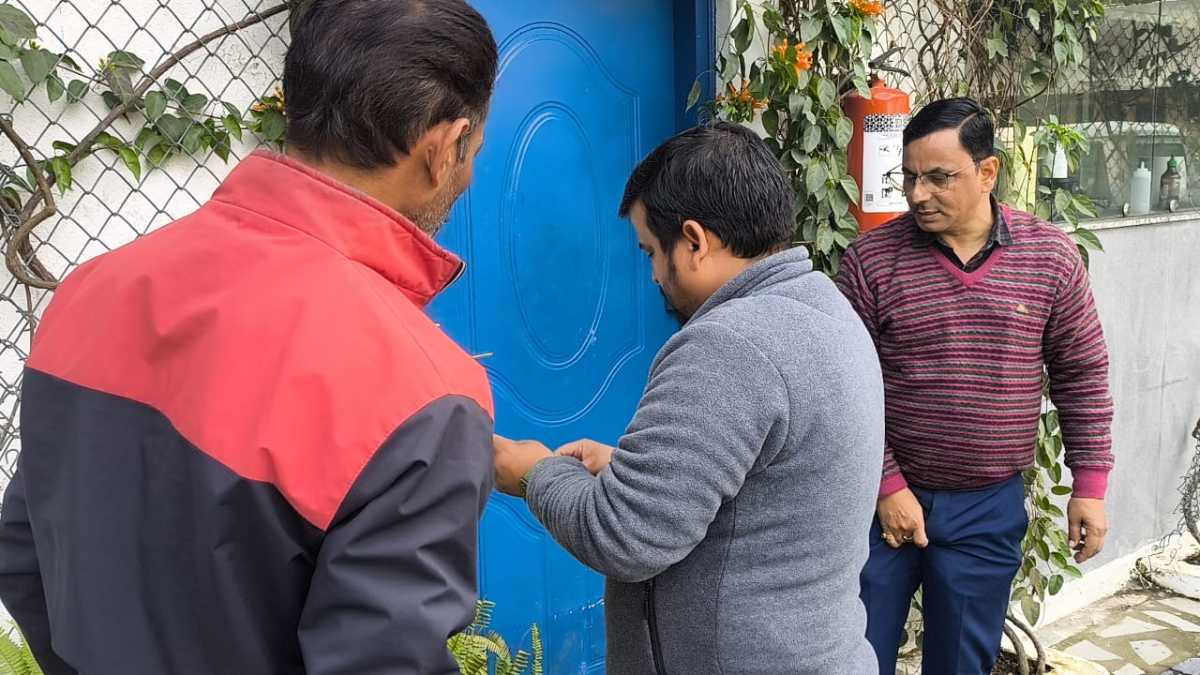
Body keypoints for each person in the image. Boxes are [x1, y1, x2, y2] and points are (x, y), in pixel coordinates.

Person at [0, 1, 498, 673]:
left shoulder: (88, 292)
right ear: (444, 145)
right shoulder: (423, 391)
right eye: (475, 153)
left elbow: (24, 552)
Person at [493, 121, 885, 675]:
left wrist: (532, 473)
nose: (653, 274)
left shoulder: (730, 342)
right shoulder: (824, 310)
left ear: (695, 242)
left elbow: (624, 536)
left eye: (651, 251)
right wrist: (638, 473)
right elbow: (769, 487)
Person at [836, 97, 1115, 674]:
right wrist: (885, 484)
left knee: (963, 662)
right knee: (853, 657)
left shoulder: (1052, 260)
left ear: (987, 172)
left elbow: (1082, 373)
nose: (918, 194)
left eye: (939, 177)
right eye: (909, 177)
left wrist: (1089, 483)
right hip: (876, 503)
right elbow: (844, 388)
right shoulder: (871, 261)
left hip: (986, 508)